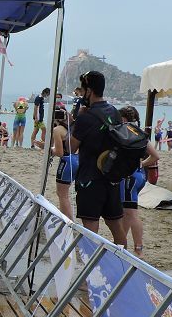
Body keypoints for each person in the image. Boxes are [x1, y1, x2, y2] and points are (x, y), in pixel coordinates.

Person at [69, 70, 127, 245]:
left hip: (90, 179)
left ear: (89, 91)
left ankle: (92, 269)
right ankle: (122, 266)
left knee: (90, 231)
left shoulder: (85, 117)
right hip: (112, 177)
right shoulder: (115, 113)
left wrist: (74, 122)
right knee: (117, 227)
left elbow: (71, 147)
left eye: (82, 89)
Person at [118, 106, 160, 256]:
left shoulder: (125, 133)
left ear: (124, 119)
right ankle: (121, 244)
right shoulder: (140, 134)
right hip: (139, 175)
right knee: (127, 212)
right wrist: (141, 164)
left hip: (130, 177)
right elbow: (155, 156)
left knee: (131, 213)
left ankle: (138, 249)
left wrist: (139, 164)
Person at [50, 107, 77, 219]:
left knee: (62, 194)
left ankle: (67, 221)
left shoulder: (58, 130)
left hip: (66, 161)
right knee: (65, 193)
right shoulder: (74, 128)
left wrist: (49, 149)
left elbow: (60, 152)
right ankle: (68, 219)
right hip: (77, 159)